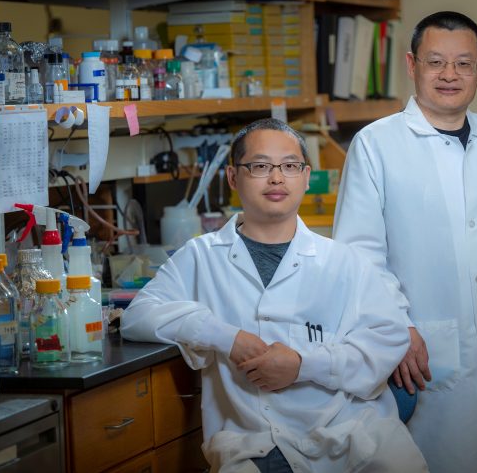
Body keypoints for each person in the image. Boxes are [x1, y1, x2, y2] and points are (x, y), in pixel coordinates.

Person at [121, 118, 428, 473]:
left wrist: (303, 366)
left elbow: (387, 339)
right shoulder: (201, 257)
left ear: (307, 176)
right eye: (260, 166)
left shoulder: (344, 261)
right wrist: (227, 337)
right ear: (234, 178)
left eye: (290, 166)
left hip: (353, 436)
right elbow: (138, 315)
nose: (277, 178)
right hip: (252, 444)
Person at [333, 11, 477, 472]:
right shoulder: (376, 145)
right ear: (411, 64)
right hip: (418, 354)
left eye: (463, 63)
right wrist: (396, 327)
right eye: (435, 61)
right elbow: (359, 255)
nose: (449, 75)